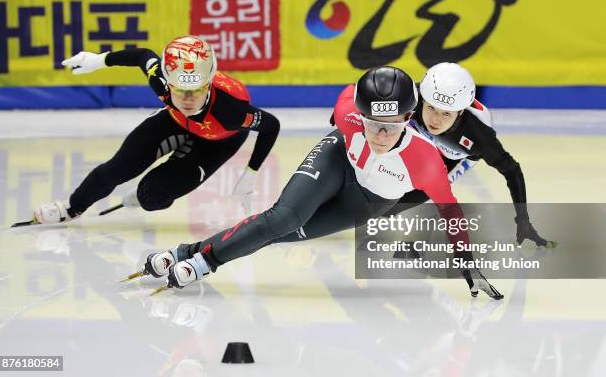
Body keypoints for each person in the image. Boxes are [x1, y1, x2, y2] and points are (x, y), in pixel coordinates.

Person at [133, 66, 503, 300]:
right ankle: (203, 262)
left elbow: (451, 214)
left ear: (409, 117)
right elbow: (347, 96)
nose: (379, 134)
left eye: (391, 127)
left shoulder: (425, 162)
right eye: (371, 122)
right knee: (282, 218)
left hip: (368, 201)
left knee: (278, 232)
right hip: (337, 159)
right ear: (359, 112)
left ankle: (187, 251)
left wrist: (467, 266)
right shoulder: (348, 115)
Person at [27, 35, 280, 224]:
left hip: (219, 140)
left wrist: (251, 173)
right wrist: (99, 60)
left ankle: (145, 193)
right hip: (175, 122)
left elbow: (271, 126)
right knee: (117, 169)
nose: (189, 100)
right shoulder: (159, 78)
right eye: (180, 91)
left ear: (209, 83)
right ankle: (70, 209)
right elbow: (141, 55)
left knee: (151, 196)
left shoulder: (232, 110)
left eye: (198, 90)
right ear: (168, 83)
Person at [398, 62, 553, 247]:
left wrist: (523, 220)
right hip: (420, 137)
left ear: (461, 111)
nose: (435, 120)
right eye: (431, 108)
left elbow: (512, 170)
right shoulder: (409, 99)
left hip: (456, 155)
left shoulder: (479, 136)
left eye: (446, 113)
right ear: (422, 98)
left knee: (417, 194)